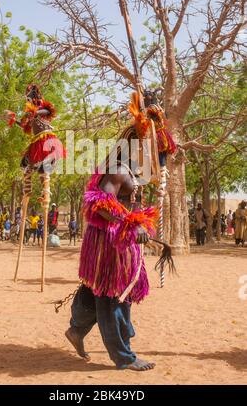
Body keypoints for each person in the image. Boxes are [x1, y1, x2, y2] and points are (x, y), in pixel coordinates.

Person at [65, 124, 175, 371]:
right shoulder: (117, 170)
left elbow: (128, 204)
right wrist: (131, 225)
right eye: (146, 149)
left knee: (105, 293)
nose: (149, 155)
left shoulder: (133, 172)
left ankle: (76, 330)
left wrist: (140, 225)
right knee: (112, 295)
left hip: (122, 242)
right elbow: (100, 206)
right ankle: (124, 356)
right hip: (110, 244)